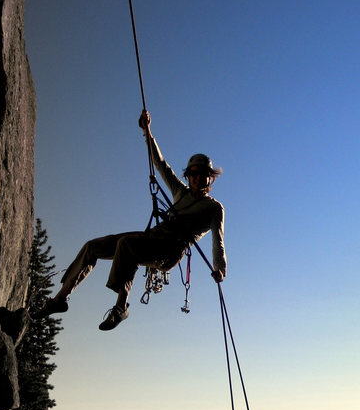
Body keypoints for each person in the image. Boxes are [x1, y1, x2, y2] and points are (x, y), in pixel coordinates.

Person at [34, 110, 226, 330]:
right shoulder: (180, 192)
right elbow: (161, 164)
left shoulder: (213, 208)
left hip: (170, 251)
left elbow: (218, 243)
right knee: (93, 247)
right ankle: (59, 299)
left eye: (202, 174)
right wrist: (147, 131)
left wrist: (220, 269)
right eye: (193, 173)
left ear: (210, 177)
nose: (197, 178)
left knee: (127, 245)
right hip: (152, 238)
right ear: (188, 175)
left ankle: (121, 307)